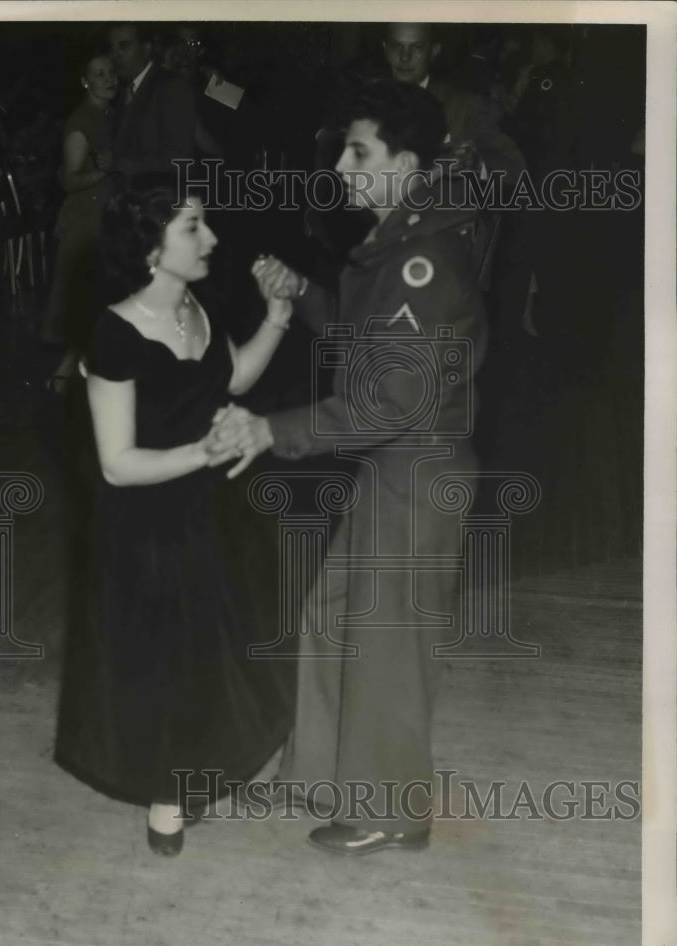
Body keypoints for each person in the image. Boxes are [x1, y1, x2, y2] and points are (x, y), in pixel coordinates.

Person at [206, 79, 488, 855]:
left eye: (357, 150)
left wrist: (269, 430)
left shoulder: (423, 260)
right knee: (333, 618)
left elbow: (387, 402)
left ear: (404, 161)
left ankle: (391, 810)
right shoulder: (401, 241)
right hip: (395, 467)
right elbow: (367, 342)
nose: (339, 164)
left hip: (415, 467)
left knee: (388, 643)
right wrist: (301, 297)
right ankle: (330, 775)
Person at [54, 178, 294, 858]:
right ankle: (166, 796)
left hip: (212, 506)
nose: (211, 236)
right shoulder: (114, 333)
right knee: (168, 655)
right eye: (192, 227)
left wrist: (275, 315)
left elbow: (233, 378)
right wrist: (202, 449)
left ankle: (212, 767)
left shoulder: (199, 302)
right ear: (150, 246)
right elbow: (116, 463)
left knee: (220, 647)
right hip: (148, 523)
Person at [42, 49, 118, 388]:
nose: (108, 79)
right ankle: (64, 372)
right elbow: (70, 179)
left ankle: (84, 370)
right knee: (86, 294)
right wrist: (103, 172)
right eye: (99, 74)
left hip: (108, 211)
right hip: (88, 216)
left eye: (111, 72)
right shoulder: (81, 121)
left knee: (100, 294)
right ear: (85, 81)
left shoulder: (111, 114)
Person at [382, 22, 524, 182]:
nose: (405, 57)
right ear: (385, 49)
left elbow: (515, 167)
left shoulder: (464, 106)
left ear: (434, 51)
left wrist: (477, 164)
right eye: (396, 46)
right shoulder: (365, 100)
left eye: (417, 47)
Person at [108, 22, 197, 180]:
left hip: (156, 199)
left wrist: (123, 164)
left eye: (124, 46)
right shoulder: (122, 89)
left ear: (146, 49)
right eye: (112, 48)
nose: (115, 55)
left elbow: (182, 160)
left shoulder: (170, 86)